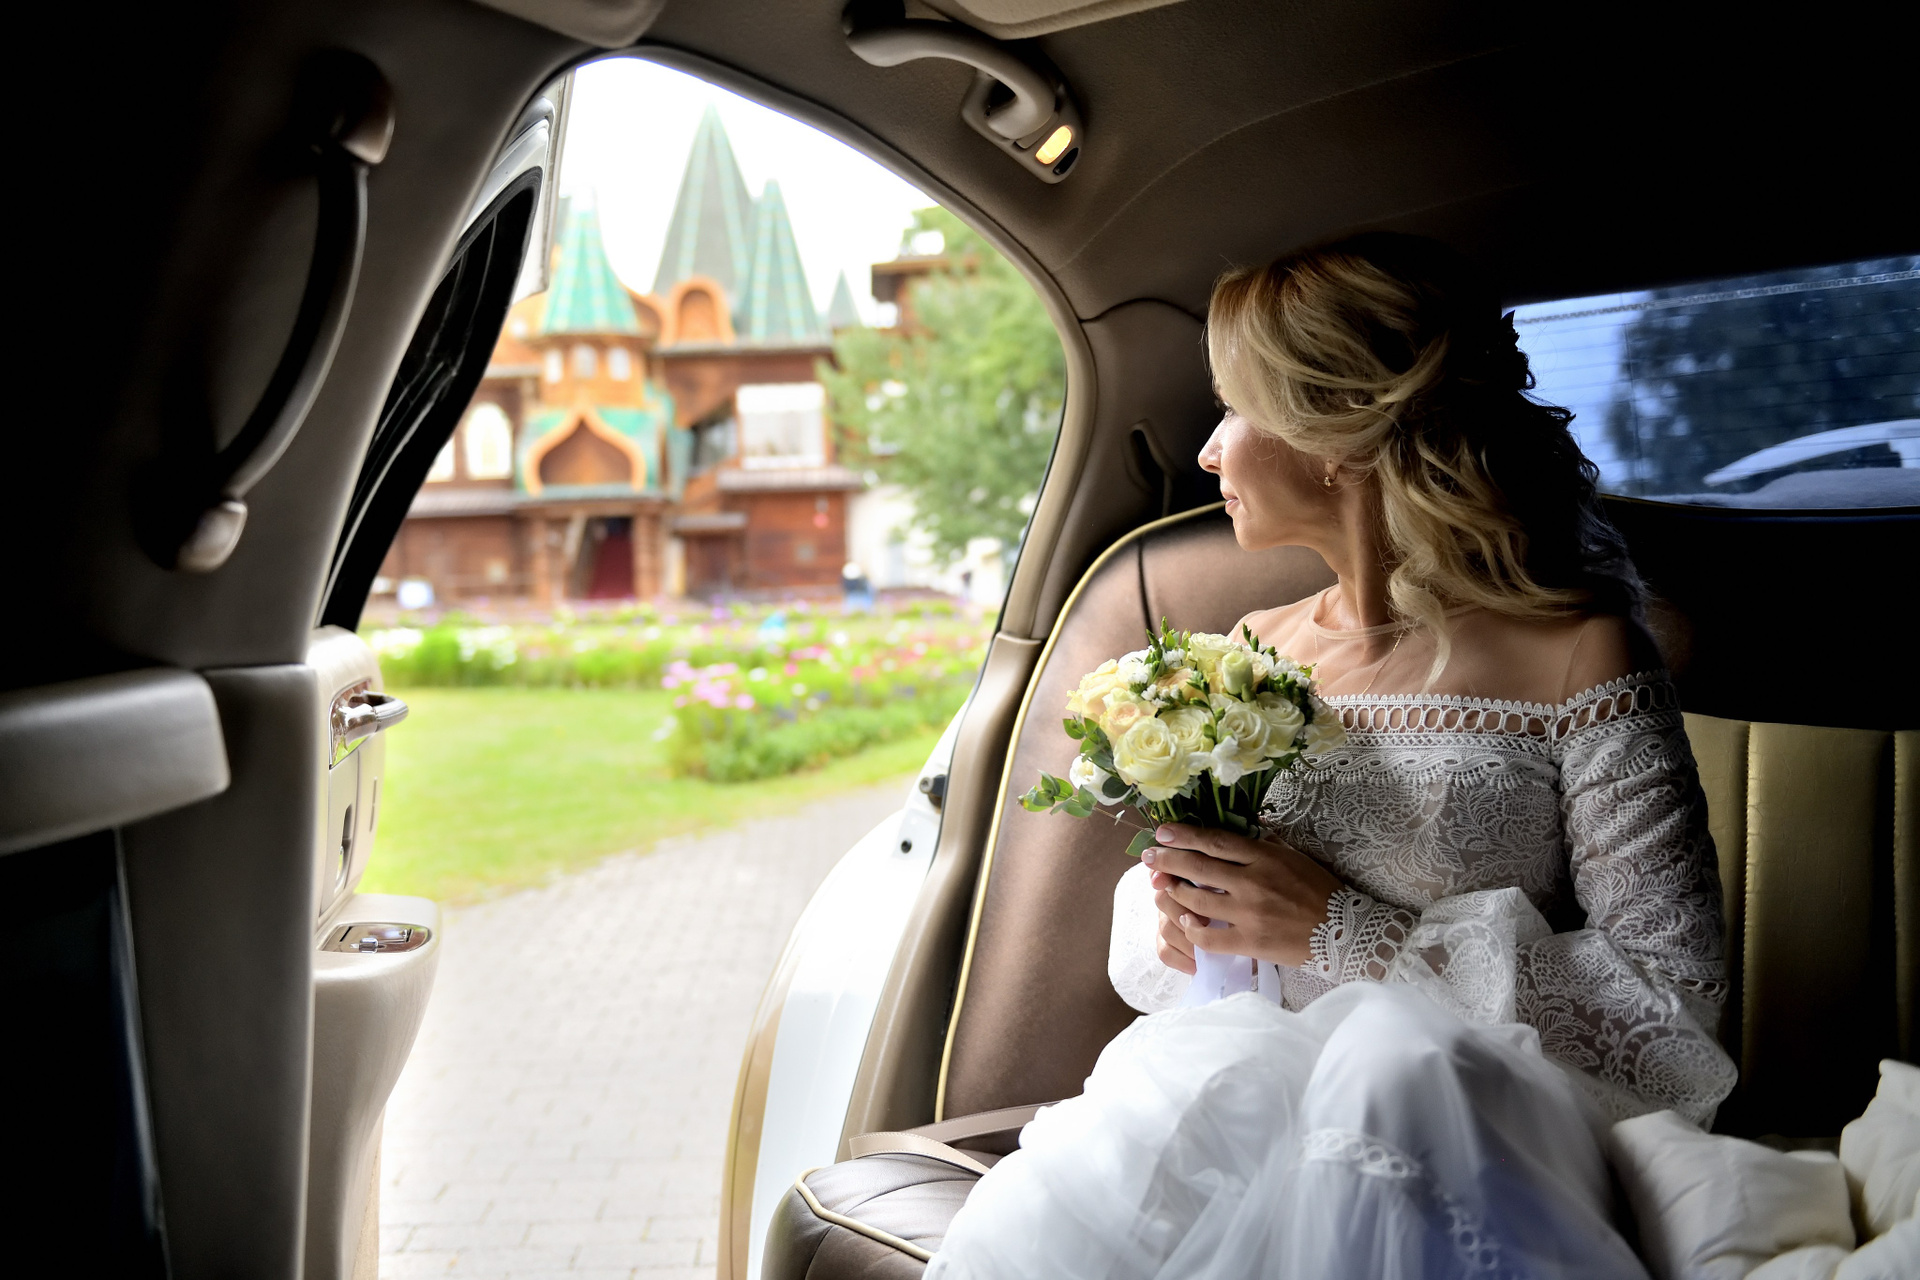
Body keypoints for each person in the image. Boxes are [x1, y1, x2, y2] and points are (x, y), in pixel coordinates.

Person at [926, 234, 1736, 1279]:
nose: (1208, 452)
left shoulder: (1584, 654)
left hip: (1477, 1112)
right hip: (1243, 1085)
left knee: (1391, 1072)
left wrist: (1344, 930)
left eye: (1233, 411)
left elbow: (1674, 1003)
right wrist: (1188, 920)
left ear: (1336, 436)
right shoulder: (1246, 656)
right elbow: (1199, 960)